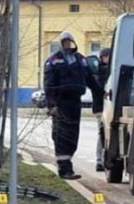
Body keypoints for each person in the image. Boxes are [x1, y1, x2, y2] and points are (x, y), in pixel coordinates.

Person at [43, 32, 104, 180]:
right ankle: (64, 169)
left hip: (75, 102)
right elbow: (49, 85)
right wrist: (52, 105)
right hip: (61, 102)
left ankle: (68, 165)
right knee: (61, 135)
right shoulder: (54, 61)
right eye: (64, 42)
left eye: (69, 42)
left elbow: (90, 78)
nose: (67, 45)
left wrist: (101, 92)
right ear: (61, 43)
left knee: (73, 134)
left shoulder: (80, 60)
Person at [95, 48, 112, 172]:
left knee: (103, 133)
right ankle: (99, 160)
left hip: (103, 106)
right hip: (101, 107)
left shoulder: (100, 71)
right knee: (102, 133)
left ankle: (101, 160)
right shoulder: (102, 72)